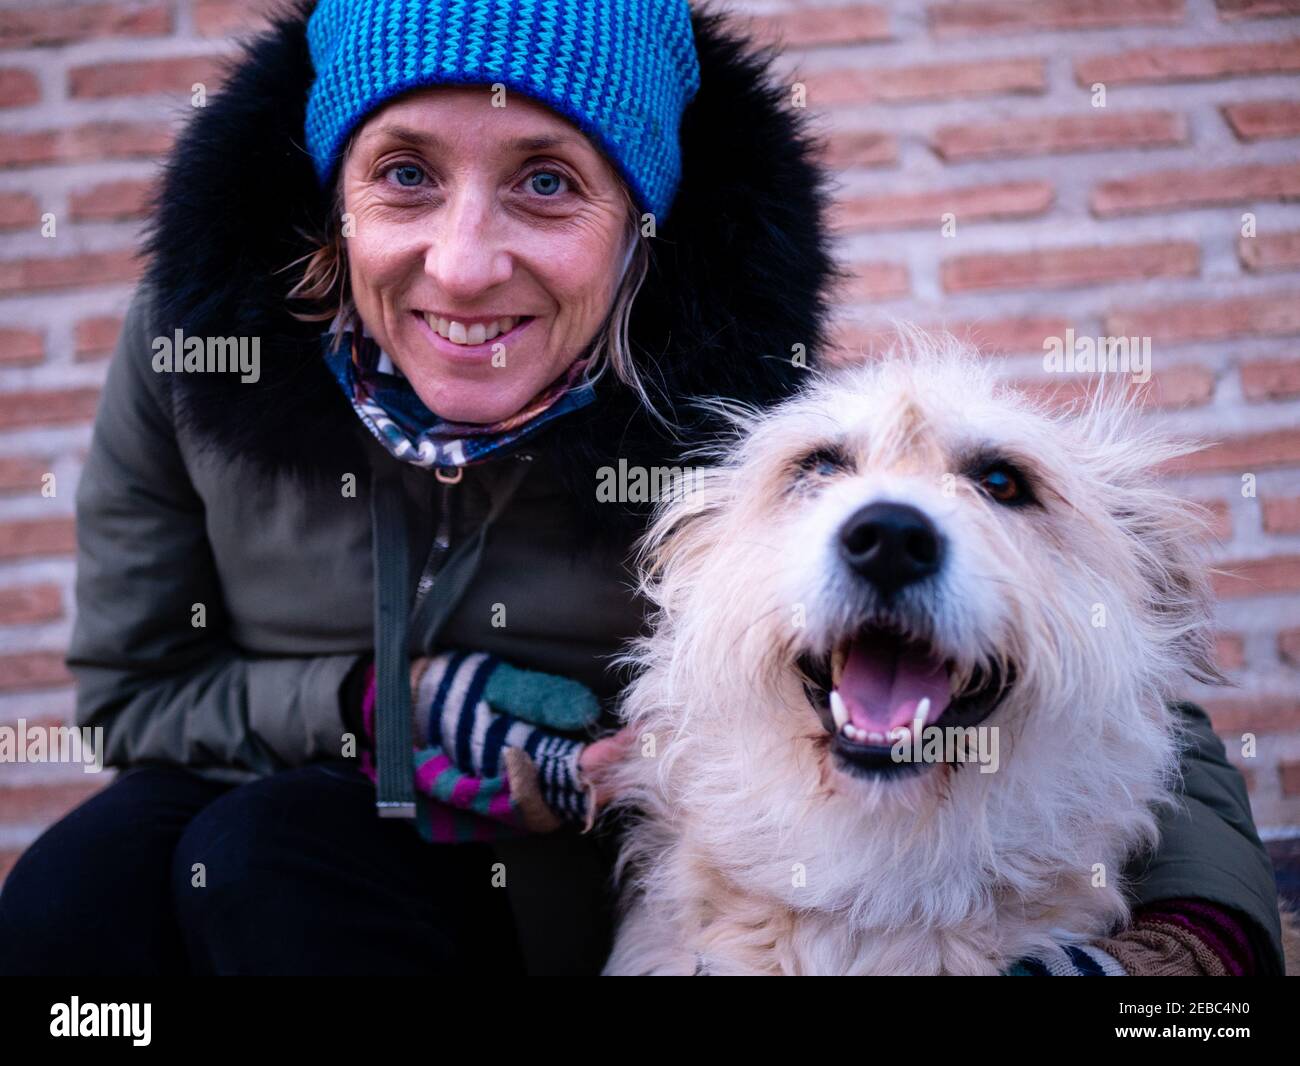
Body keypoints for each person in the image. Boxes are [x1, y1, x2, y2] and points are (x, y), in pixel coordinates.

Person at [0, 0, 1283, 977]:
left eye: (548, 182)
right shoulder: (194, 356)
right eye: (403, 172)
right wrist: (387, 707)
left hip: (531, 877)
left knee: (267, 862)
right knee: (77, 901)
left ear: (639, 225)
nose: (461, 261)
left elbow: (1101, 665)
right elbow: (135, 692)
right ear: (333, 196)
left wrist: (1193, 944)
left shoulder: (750, 422)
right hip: (258, 772)